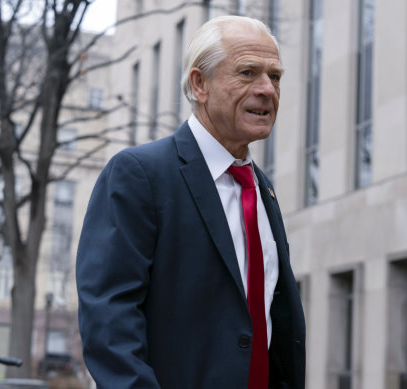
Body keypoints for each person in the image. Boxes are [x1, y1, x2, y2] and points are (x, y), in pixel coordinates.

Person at [76, 15, 306, 389]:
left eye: (275, 76)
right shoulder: (138, 175)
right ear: (200, 84)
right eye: (248, 73)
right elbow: (109, 323)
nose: (267, 89)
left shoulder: (262, 190)